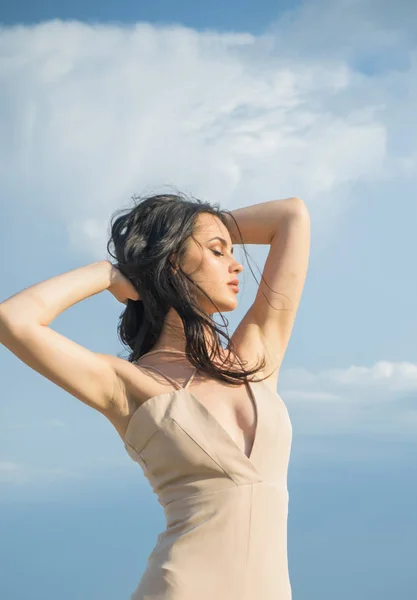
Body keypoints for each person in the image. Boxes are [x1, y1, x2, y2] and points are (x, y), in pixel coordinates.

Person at [0, 192, 310, 600]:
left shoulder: (255, 357)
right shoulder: (129, 385)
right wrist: (108, 274)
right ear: (173, 261)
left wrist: (199, 227)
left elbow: (292, 216)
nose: (236, 264)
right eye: (218, 251)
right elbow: (13, 320)